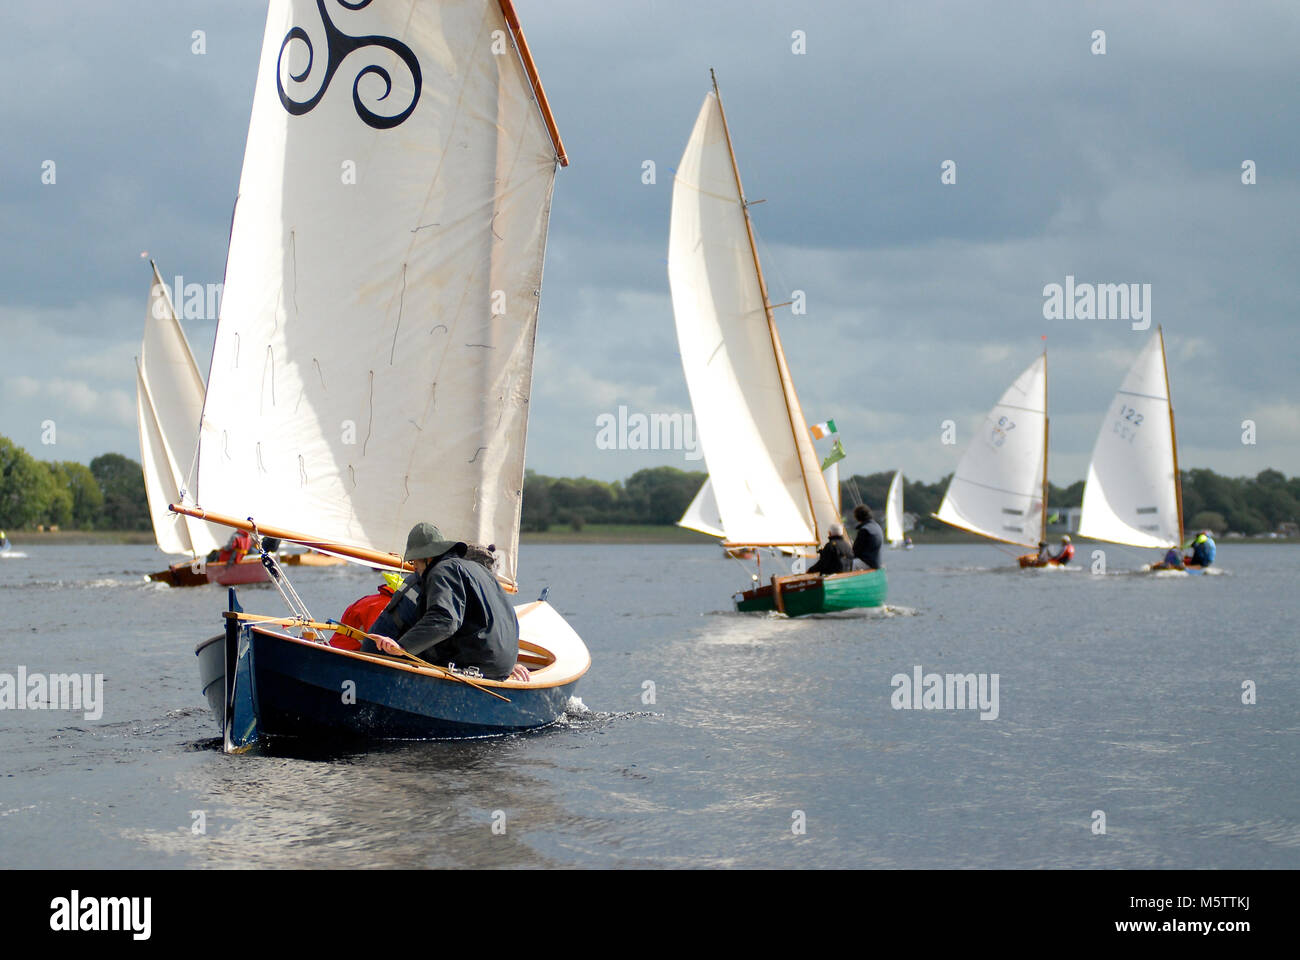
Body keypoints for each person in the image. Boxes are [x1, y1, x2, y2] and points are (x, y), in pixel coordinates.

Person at [367, 522, 525, 682]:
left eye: (415, 562)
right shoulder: (479, 570)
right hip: (504, 664)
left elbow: (445, 620)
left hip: (477, 664)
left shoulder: (442, 570)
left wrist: (402, 647)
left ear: (428, 558)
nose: (414, 568)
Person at [851, 505, 884, 570]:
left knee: (846, 564)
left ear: (857, 517)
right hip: (877, 562)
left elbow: (856, 551)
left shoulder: (864, 530)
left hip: (868, 563)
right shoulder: (877, 526)